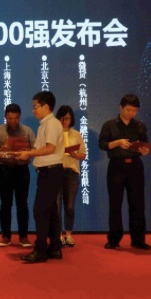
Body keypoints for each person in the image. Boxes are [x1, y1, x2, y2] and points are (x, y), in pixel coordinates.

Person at [98, 94, 151, 251]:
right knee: (115, 204)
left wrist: (145, 150)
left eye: (134, 111)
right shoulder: (110, 125)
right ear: (121, 107)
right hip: (117, 166)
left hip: (135, 166)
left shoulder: (140, 126)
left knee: (138, 204)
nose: (131, 113)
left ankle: (138, 240)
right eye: (128, 110)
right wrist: (117, 143)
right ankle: (114, 239)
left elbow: (144, 144)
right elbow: (102, 144)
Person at [17, 91, 64, 263]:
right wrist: (25, 152)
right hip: (47, 172)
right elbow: (38, 149)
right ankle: (55, 248)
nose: (33, 110)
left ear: (46, 106)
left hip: (51, 172)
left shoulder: (52, 124)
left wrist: (29, 153)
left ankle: (40, 250)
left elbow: (50, 148)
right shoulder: (44, 124)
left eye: (35, 107)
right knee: (51, 211)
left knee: (40, 211)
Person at [0, 103, 36, 248]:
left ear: (19, 117)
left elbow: (35, 149)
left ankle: (23, 236)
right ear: (5, 117)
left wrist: (27, 152)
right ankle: (6, 236)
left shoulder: (27, 131)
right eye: (10, 118)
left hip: (22, 170)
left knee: (22, 204)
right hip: (5, 170)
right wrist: (0, 149)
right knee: (5, 204)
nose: (13, 121)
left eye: (16, 118)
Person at [55, 105, 87, 248]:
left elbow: (83, 154)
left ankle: (68, 234)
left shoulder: (76, 134)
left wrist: (75, 155)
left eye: (67, 118)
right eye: (62, 118)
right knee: (56, 206)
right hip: (57, 171)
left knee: (69, 206)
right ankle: (57, 235)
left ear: (71, 119)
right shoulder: (54, 134)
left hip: (71, 172)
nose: (64, 121)